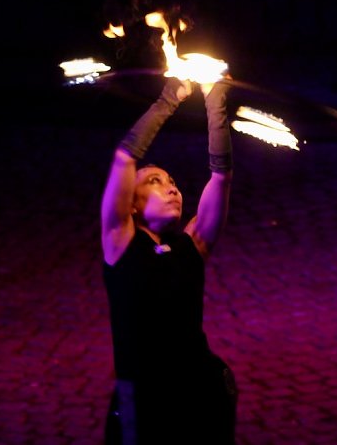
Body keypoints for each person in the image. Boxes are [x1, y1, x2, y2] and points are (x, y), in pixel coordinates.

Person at [101, 74, 237, 444]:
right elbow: (124, 157)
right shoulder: (119, 243)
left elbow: (221, 177)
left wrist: (215, 103)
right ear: (131, 202)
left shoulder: (192, 245)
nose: (172, 187)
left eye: (172, 181)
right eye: (155, 182)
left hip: (199, 395)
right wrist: (169, 99)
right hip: (143, 402)